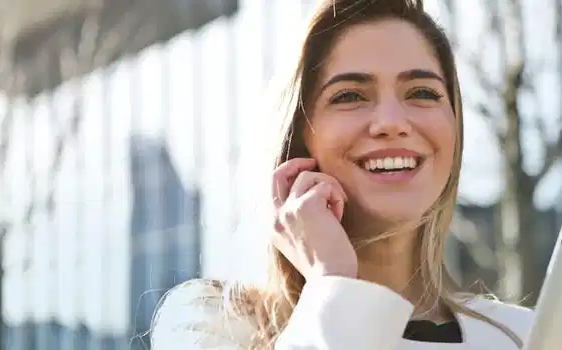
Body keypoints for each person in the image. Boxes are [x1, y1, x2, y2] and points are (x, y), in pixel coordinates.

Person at [151, 0, 534, 348]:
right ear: (299, 138)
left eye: (422, 92)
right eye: (350, 95)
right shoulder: (212, 326)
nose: (391, 123)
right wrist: (332, 285)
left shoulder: (524, 335)